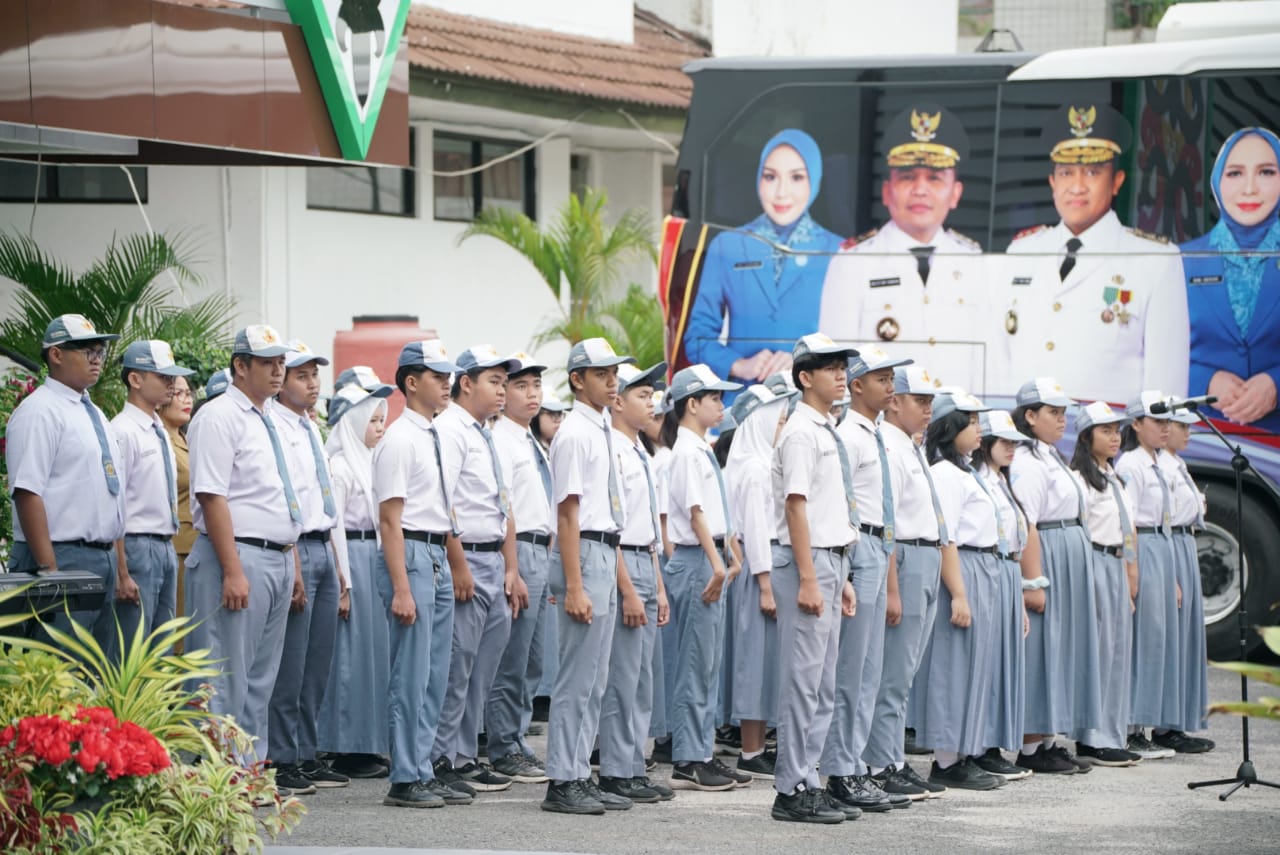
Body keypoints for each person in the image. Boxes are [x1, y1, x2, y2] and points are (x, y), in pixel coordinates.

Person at [999, 103, 1189, 402]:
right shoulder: (1021, 252)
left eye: (1092, 171)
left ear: (1117, 182)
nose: (1076, 186)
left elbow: (1167, 389)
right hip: (1024, 441)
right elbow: (1002, 362)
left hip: (1109, 442)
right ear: (1052, 183)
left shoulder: (1156, 260)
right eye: (1065, 172)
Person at [185, 324, 300, 765]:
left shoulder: (268, 416)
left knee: (258, 680)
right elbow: (212, 495)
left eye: (280, 362)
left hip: (275, 556)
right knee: (223, 675)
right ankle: (216, 777)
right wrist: (232, 569)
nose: (278, 370)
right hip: (237, 555)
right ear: (240, 366)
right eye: (268, 362)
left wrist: (290, 561)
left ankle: (248, 772)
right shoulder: (218, 416)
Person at [820, 105, 989, 392]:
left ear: (955, 193)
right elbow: (836, 368)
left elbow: (987, 368)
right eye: (908, 177)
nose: (920, 189)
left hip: (958, 429)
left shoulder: (976, 263)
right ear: (887, 191)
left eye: (934, 178)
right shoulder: (853, 262)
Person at [372, 338, 472, 808]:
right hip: (410, 551)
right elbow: (390, 519)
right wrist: (400, 587)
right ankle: (405, 775)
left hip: (433, 551)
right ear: (412, 383)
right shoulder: (399, 438)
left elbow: (443, 508)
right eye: (437, 376)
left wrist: (453, 564)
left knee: (434, 672)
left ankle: (423, 765)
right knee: (410, 673)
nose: (447, 383)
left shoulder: (434, 434)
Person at [541, 337, 635, 815]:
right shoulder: (575, 433)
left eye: (613, 371)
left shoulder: (599, 429)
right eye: (601, 373)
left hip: (604, 548)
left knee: (596, 678)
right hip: (586, 553)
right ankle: (563, 778)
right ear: (578, 379)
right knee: (578, 676)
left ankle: (578, 770)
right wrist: (574, 585)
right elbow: (568, 516)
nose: (612, 380)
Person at [769, 333, 858, 824]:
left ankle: (809, 779)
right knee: (803, 683)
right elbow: (796, 506)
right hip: (808, 561)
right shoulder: (802, 431)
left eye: (842, 365)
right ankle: (791, 788)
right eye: (829, 367)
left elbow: (825, 509)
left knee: (822, 685)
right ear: (805, 377)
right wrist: (808, 575)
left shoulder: (824, 428)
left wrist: (837, 573)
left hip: (828, 559)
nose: (840, 374)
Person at [433, 345, 528, 794]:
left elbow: (505, 506)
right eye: (494, 381)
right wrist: (458, 566)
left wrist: (512, 566)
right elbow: (443, 503)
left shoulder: (489, 434)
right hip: (466, 557)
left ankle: (465, 754)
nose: (502, 390)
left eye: (503, 382)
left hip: (494, 557)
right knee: (457, 665)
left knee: (481, 670)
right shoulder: (450, 430)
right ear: (465, 383)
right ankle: (439, 758)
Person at [825, 345, 914, 813]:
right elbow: (843, 503)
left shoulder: (875, 434)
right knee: (851, 671)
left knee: (869, 671)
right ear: (856, 385)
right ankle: (840, 769)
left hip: (880, 547)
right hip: (860, 548)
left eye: (891, 377)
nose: (890, 385)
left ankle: (854, 764)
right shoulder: (850, 435)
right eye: (881, 378)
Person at [685, 129, 842, 385]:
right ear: (758, 179)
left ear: (815, 180)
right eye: (770, 177)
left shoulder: (839, 251)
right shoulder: (728, 246)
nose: (781, 192)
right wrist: (737, 364)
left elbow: (854, 339)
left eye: (797, 177)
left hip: (811, 403)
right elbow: (698, 337)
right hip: (741, 404)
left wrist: (807, 363)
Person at [6, 314, 124, 645]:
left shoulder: (93, 412)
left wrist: (113, 561)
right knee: (61, 667)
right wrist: (49, 569)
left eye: (100, 351)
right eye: (88, 351)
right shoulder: (40, 411)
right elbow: (27, 491)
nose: (97, 359)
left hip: (100, 556)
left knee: (96, 669)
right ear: (56, 355)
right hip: (60, 554)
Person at [265, 341, 346, 793]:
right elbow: (284, 500)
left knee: (317, 662)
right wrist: (294, 563)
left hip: (323, 547)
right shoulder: (273, 426)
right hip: (297, 547)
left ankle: (308, 751)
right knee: (290, 664)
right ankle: (282, 756)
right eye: (302, 375)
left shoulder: (310, 427)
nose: (312, 384)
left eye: (315, 375)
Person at [663, 363, 748, 792]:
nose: (721, 404)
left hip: (710, 557)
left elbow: (715, 517)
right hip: (699, 561)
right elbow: (696, 515)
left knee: (708, 665)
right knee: (695, 665)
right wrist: (719, 564)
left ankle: (703, 751)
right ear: (691, 404)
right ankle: (689, 758)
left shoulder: (699, 449)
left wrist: (730, 559)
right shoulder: (685, 452)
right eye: (714, 398)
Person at [914, 391, 1005, 791]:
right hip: (963, 566)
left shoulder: (966, 471)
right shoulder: (946, 475)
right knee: (954, 664)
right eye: (973, 424)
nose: (980, 431)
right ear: (952, 430)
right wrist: (960, 594)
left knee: (975, 664)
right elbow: (946, 537)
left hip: (982, 564)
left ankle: (965, 751)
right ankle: (947, 759)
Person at [864, 365, 947, 800]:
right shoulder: (890, 449)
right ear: (894, 401)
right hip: (907, 556)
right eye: (920, 400)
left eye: (931, 402)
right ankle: (880, 763)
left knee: (906, 669)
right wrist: (892, 586)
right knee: (893, 671)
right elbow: (889, 524)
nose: (928, 409)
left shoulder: (911, 447)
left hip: (926, 556)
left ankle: (891, 757)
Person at [1008, 377, 1098, 776]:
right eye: (1052, 412)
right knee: (1043, 649)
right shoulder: (1027, 461)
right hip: (1049, 550)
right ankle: (1030, 747)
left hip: (1067, 548)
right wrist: (1033, 580)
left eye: (1064, 412)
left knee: (1060, 649)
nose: (1062, 419)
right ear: (1030, 416)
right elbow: (1028, 521)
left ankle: (1047, 740)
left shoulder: (1050, 455)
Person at [598, 361, 675, 804]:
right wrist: (628, 588)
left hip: (645, 561)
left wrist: (658, 586)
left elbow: (647, 527)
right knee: (623, 677)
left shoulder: (638, 450)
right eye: (642, 395)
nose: (652, 402)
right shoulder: (611, 449)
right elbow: (613, 528)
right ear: (619, 401)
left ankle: (632, 765)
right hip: (623, 562)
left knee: (642, 677)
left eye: (652, 394)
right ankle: (614, 770)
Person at [317, 378, 394, 780]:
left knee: (372, 656)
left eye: (383, 420)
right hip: (352, 559)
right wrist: (344, 582)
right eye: (373, 420)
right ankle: (346, 744)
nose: (380, 427)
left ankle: (368, 741)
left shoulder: (368, 461)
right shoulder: (340, 466)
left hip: (372, 556)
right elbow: (335, 529)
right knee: (350, 657)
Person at [1181, 127, 1280, 432]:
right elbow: (1144, 352)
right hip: (1199, 441)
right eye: (1235, 173)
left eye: (1266, 172)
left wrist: (1276, 385)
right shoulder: (1180, 260)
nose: (1249, 188)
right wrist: (1206, 381)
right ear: (1216, 183)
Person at [485, 352, 555, 784]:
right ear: (503, 392)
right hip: (519, 548)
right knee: (511, 657)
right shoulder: (500, 439)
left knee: (533, 658)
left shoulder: (532, 441)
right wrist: (513, 566)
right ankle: (501, 743)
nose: (531, 395)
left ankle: (517, 737)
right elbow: (505, 508)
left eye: (536, 387)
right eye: (520, 386)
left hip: (539, 549)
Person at [725, 383, 797, 781]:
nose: (782, 425)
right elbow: (755, 530)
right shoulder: (754, 470)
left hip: (766, 563)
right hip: (760, 567)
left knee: (767, 660)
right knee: (755, 660)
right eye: (778, 419)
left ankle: (758, 744)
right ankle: (751, 750)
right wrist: (766, 584)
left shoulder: (758, 463)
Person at [1067, 401, 1142, 767]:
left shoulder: (1113, 475)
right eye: (1106, 431)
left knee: (1116, 653)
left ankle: (1111, 733)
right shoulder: (1080, 479)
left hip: (1115, 564)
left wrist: (1130, 572)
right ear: (1086, 436)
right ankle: (1091, 737)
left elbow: (1129, 529)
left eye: (1118, 431)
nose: (1115, 437)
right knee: (1098, 652)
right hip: (1094, 562)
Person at [108, 340, 194, 657]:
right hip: (136, 544)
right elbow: (115, 505)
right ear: (135, 379)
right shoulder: (123, 430)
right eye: (163, 377)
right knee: (132, 649)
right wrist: (122, 571)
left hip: (164, 544)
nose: (171, 384)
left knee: (161, 648)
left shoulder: (157, 428)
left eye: (173, 377)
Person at [1115, 391, 1184, 761]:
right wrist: (1134, 569)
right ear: (1137, 425)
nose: (1165, 428)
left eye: (1168, 422)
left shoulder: (1158, 463)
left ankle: (1147, 723)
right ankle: (1131, 728)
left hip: (1162, 545)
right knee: (1142, 639)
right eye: (1157, 421)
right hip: (1144, 545)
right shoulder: (1131, 465)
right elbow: (1130, 523)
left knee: (1157, 639)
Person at [972, 410, 1034, 781]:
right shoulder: (979, 480)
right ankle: (977, 747)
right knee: (984, 664)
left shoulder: (1001, 481)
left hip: (1008, 570)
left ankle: (990, 745)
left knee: (1002, 663)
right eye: (1005, 442)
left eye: (1014, 442)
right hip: (991, 567)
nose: (1011, 449)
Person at [1155, 408, 1216, 754]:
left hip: (1184, 540)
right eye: (1179, 426)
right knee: (1172, 636)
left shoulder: (1175, 463)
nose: (1185, 432)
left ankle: (1176, 721)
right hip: (1170, 542)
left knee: (1186, 636)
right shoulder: (1158, 465)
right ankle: (1164, 726)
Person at [159, 374, 196, 623]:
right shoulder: (162, 440)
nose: (187, 400)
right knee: (177, 633)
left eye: (189, 393)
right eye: (178, 393)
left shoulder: (187, 438)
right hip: (177, 546)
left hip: (196, 546)